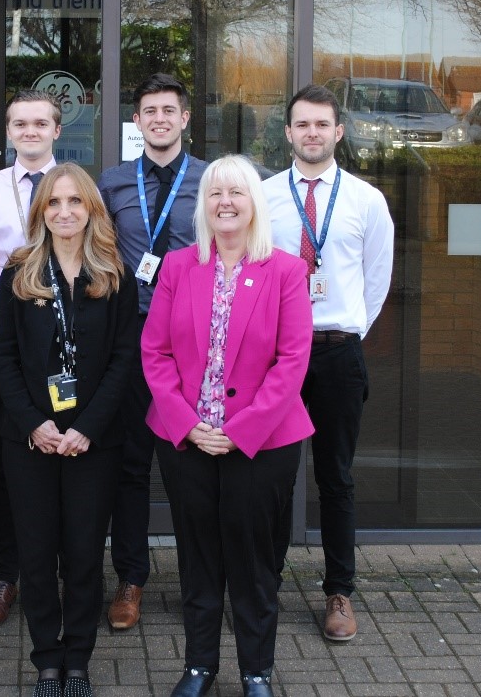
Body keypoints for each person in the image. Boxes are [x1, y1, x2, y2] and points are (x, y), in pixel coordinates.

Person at [141, 155, 314, 697]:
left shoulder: (286, 270)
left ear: (254, 202)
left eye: (237, 192)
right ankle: (199, 667)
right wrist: (189, 424)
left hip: (262, 444)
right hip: (186, 440)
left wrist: (240, 431)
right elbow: (155, 352)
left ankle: (257, 670)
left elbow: (293, 362)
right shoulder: (177, 266)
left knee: (254, 561)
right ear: (204, 205)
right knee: (197, 558)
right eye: (215, 193)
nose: (225, 202)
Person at [0, 164, 139, 697]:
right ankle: (46, 662)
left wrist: (88, 430)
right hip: (30, 439)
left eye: (75, 201)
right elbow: (3, 358)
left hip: (92, 443)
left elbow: (125, 360)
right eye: (54, 203)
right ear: (41, 213)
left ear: (92, 209)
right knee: (36, 553)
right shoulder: (19, 273)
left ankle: (77, 660)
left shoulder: (113, 275)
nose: (64, 212)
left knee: (82, 553)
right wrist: (35, 424)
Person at [261, 84, 394, 642]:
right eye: (302, 125)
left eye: (322, 125)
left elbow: (377, 280)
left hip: (338, 351)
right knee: (270, 477)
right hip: (275, 356)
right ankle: (261, 584)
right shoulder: (263, 197)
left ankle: (339, 591)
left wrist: (347, 332)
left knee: (335, 477)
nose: (312, 133)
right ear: (287, 133)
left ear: (338, 133)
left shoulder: (366, 200)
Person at [96, 73, 205, 629]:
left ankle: (201, 586)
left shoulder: (212, 182)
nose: (159, 119)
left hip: (194, 345)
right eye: (148, 111)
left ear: (185, 119)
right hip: (134, 340)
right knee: (132, 466)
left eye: (169, 110)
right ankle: (131, 580)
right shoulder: (112, 183)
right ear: (135, 122)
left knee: (191, 467)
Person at [0, 88, 63, 627]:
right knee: (7, 467)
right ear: (8, 131)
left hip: (66, 353)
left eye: (40, 123)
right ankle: (8, 573)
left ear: (56, 130)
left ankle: (66, 573)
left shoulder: (74, 190)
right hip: (8, 353)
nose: (30, 131)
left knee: (70, 459)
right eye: (20, 123)